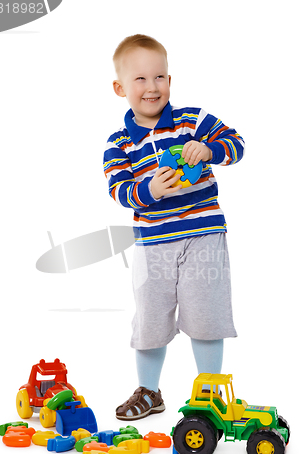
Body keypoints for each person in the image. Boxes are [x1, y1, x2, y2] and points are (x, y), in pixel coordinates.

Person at [103, 34, 245, 420]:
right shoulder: (118, 144)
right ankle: (150, 391)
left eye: (160, 77)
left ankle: (210, 395)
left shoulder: (193, 120)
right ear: (120, 88)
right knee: (149, 319)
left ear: (170, 80)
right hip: (153, 244)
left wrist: (210, 149)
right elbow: (120, 190)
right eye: (140, 80)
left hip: (203, 235)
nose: (152, 87)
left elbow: (237, 144)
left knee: (206, 315)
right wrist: (148, 188)